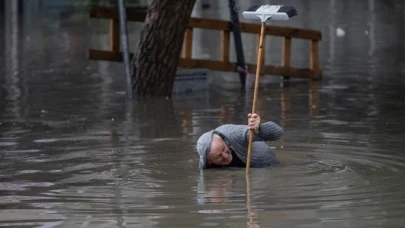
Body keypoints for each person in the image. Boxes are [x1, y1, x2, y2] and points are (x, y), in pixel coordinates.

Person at [196, 113, 284, 169]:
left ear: (223, 139)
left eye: (223, 149)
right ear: (209, 161)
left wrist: (259, 130)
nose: (225, 156)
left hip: (265, 163)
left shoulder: (234, 133)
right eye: (218, 157)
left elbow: (279, 132)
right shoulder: (205, 163)